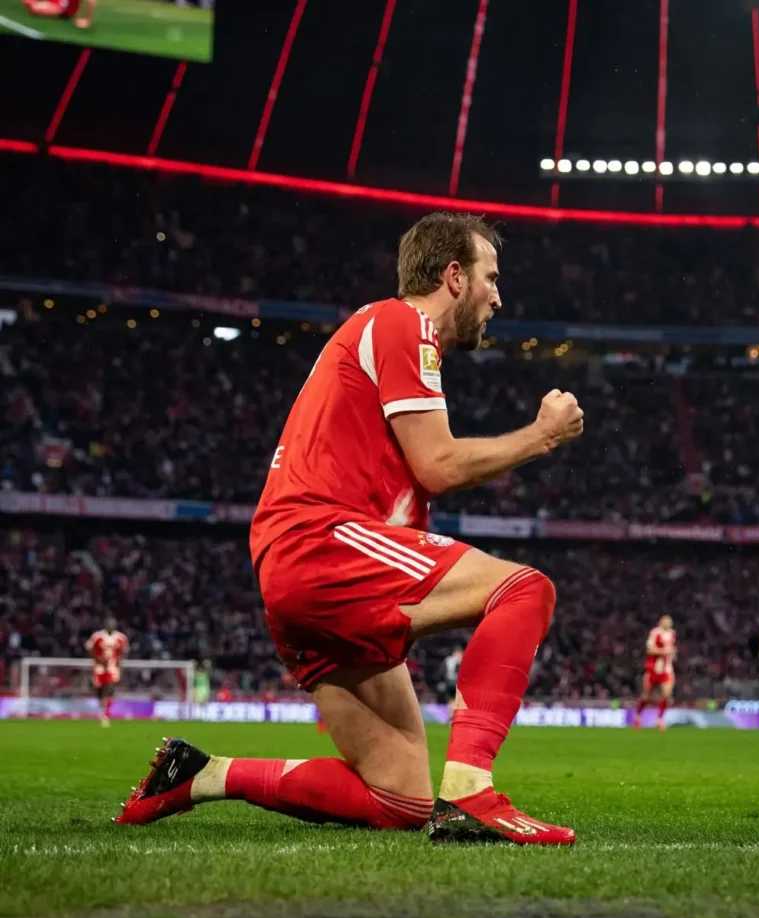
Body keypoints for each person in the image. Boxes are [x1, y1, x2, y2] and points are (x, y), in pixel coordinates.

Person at [116, 212, 584, 845]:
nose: (498, 296)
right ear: (453, 277)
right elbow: (439, 466)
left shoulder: (383, 340)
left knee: (400, 798)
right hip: (322, 544)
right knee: (524, 590)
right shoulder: (402, 322)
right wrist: (541, 436)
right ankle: (473, 791)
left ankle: (200, 775)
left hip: (299, 569)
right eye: (490, 277)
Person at [634, 615, 676, 732]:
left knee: (667, 694)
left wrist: (672, 653)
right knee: (646, 696)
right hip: (653, 668)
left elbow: (671, 649)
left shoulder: (672, 633)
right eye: (666, 621)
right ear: (660, 622)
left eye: (670, 622)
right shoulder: (655, 633)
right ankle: (637, 716)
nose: (669, 623)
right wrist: (663, 651)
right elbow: (649, 650)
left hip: (667, 669)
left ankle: (660, 720)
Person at [85, 616, 128, 727]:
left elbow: (124, 651)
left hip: (113, 667)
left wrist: (120, 664)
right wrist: (96, 659)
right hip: (99, 667)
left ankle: (106, 715)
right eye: (109, 623)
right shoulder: (97, 636)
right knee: (99, 690)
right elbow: (89, 648)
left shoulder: (121, 637)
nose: (111, 625)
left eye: (113, 623)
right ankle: (101, 707)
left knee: (110, 688)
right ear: (105, 625)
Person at [22, 0, 96, 29]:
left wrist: (87, 20)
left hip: (62, 9)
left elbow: (91, 1)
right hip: (56, 3)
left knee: (33, 8)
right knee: (27, 3)